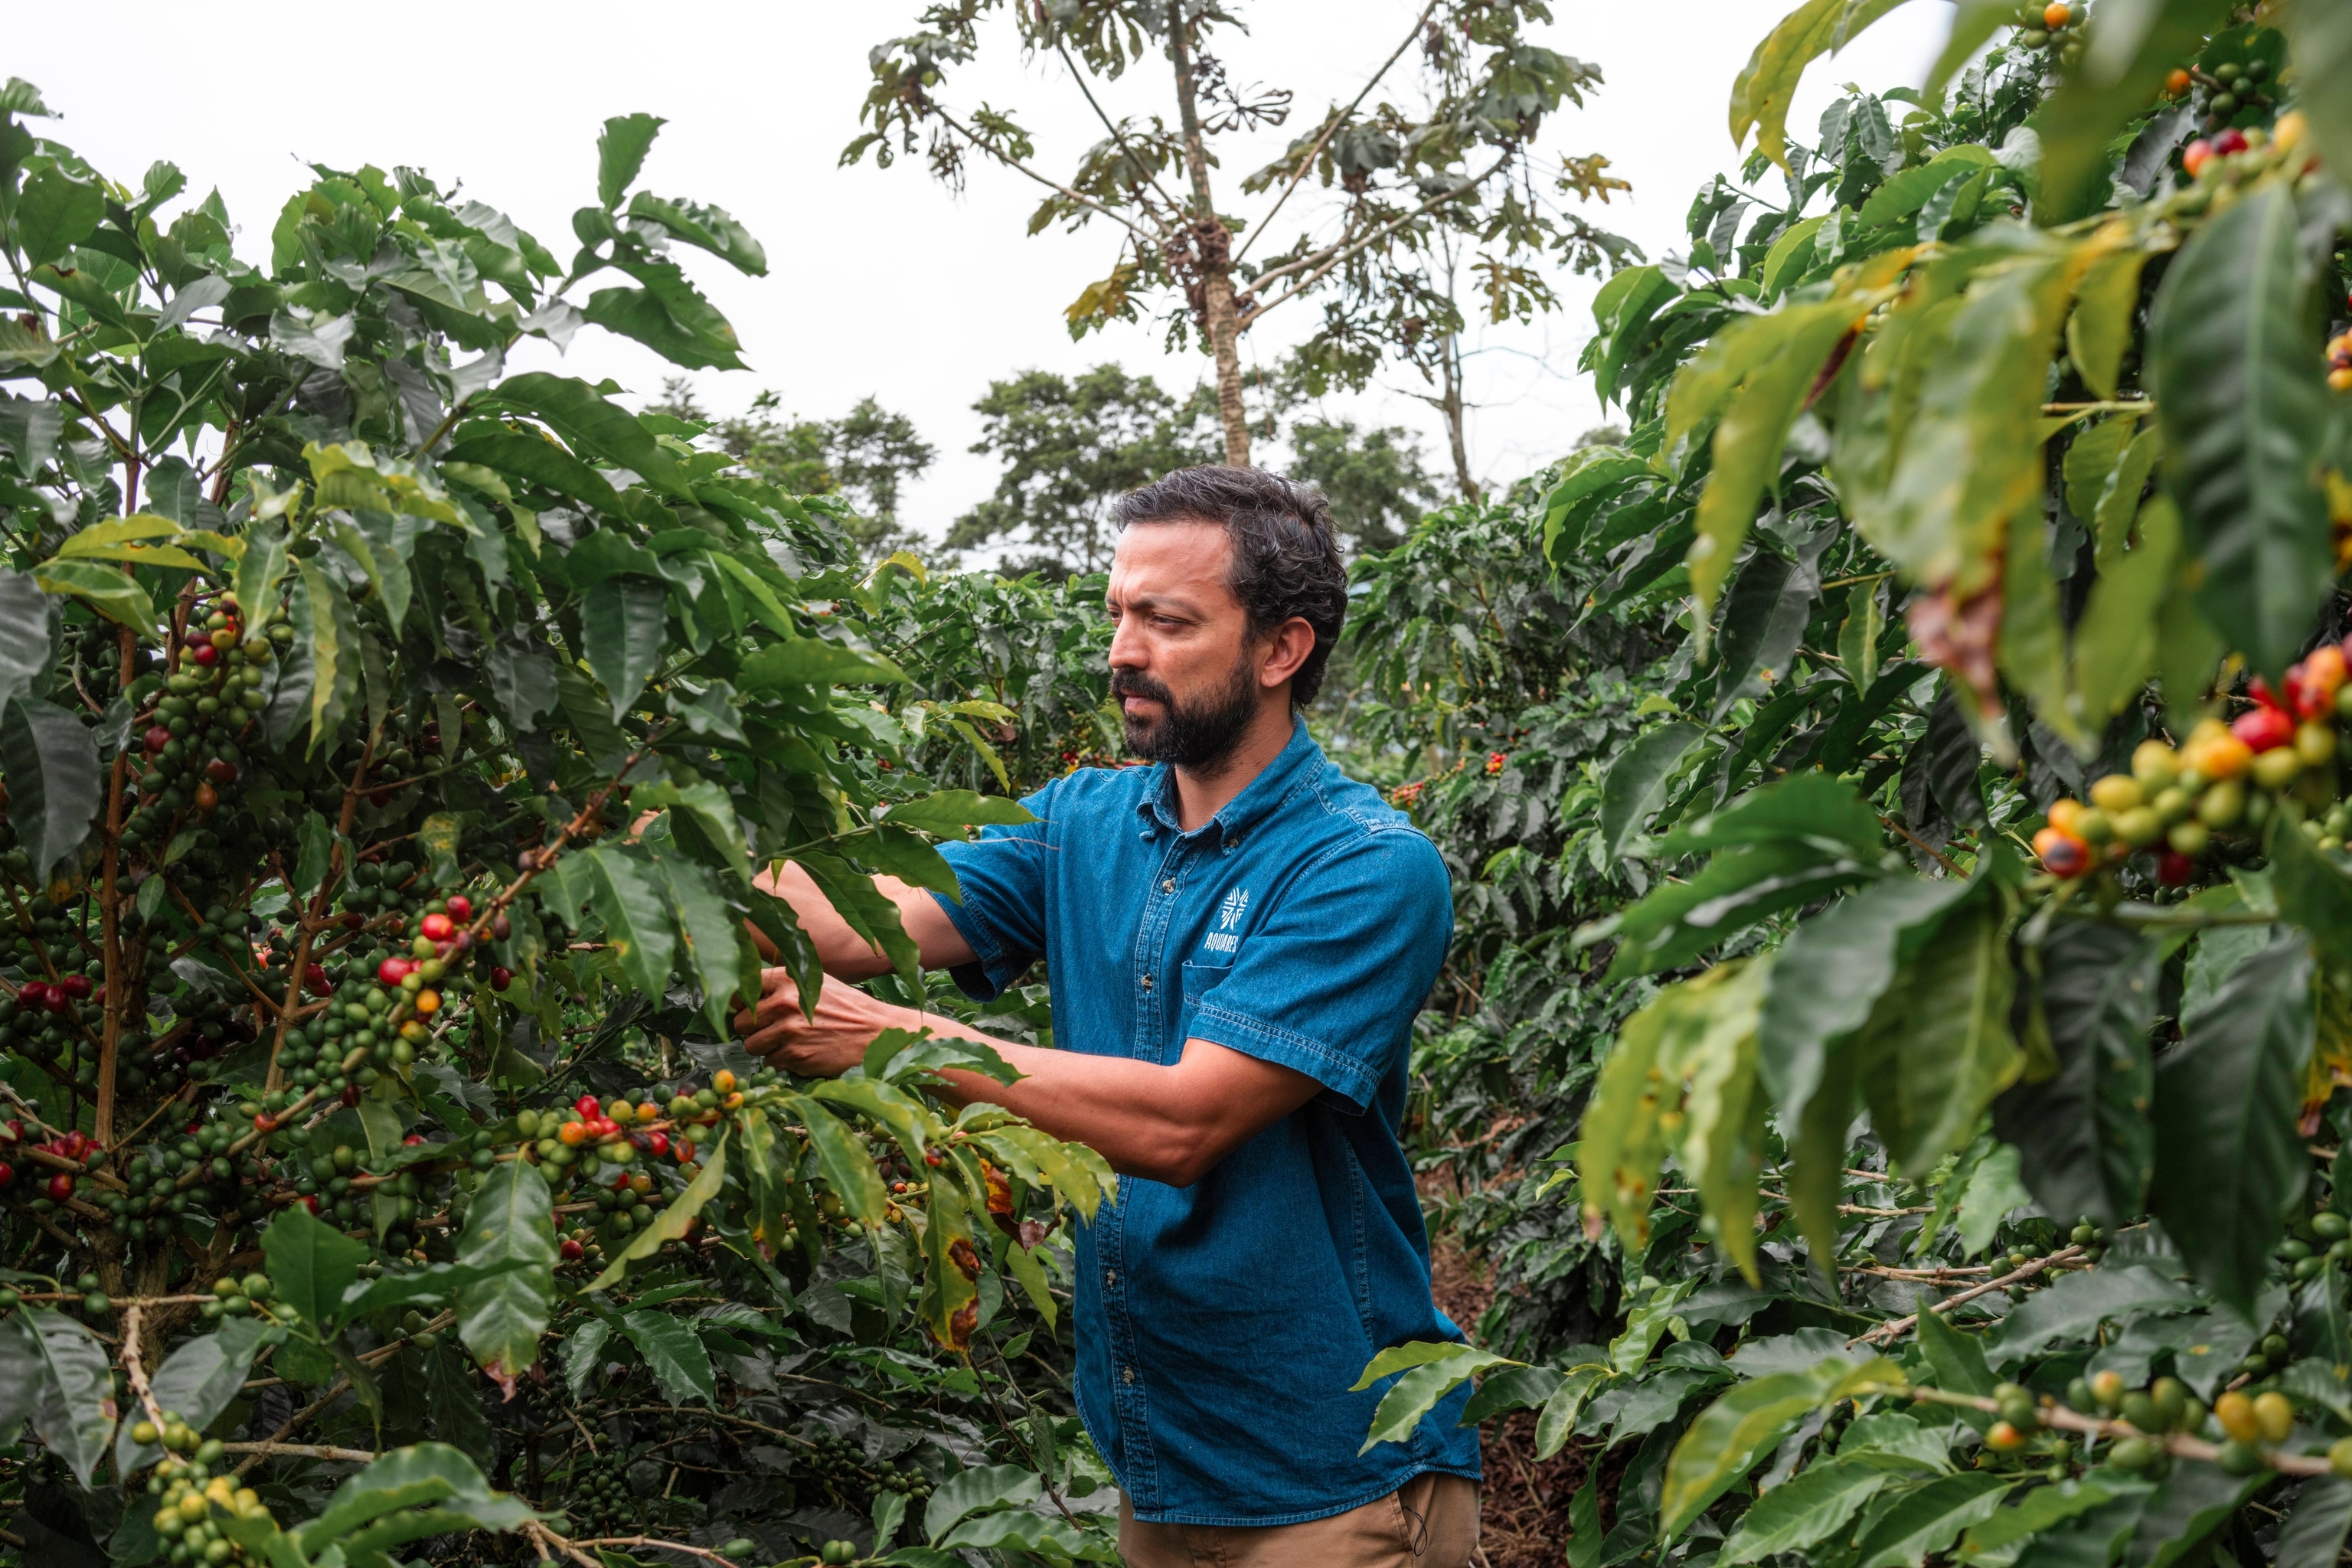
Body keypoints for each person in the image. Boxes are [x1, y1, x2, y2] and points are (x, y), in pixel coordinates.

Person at [735, 465, 1481, 1566]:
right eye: (1119, 613)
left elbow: (1184, 1125)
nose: (1122, 650)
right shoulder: (1076, 822)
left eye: (1166, 620)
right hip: (1160, 1454)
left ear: (1282, 650)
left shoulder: (1365, 867)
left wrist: (887, 1040)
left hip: (1333, 1470)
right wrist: (676, 837)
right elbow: (855, 919)